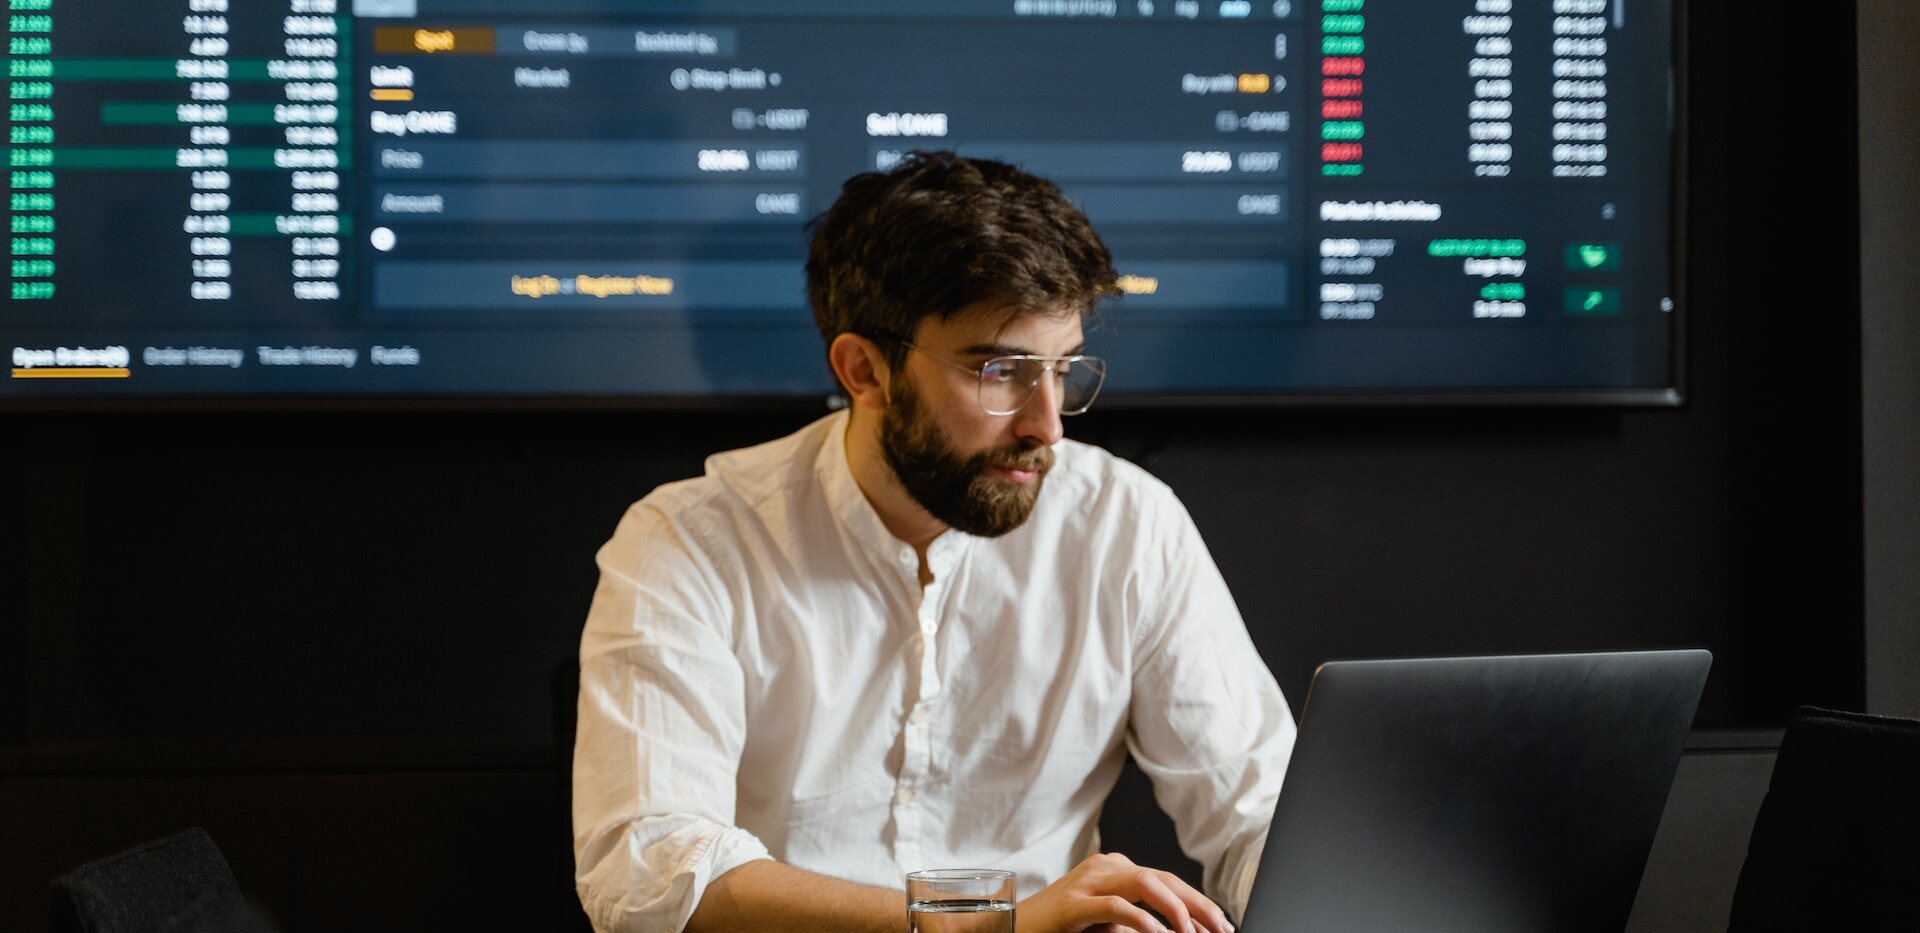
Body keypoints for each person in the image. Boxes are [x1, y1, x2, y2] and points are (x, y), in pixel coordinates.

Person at [572, 151, 1295, 933]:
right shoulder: (689, 541)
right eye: (1001, 371)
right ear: (864, 371)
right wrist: (987, 923)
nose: (1046, 425)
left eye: (1063, 370)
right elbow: (647, 871)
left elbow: (1263, 819)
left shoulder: (1127, 524)